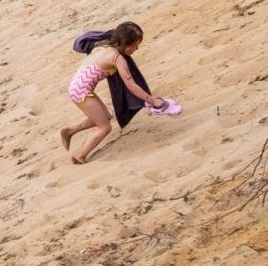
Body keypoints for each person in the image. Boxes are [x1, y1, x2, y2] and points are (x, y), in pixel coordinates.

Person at [60, 21, 181, 164]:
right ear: (126, 43)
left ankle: (69, 131)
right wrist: (152, 101)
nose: (137, 48)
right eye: (135, 44)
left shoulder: (103, 44)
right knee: (105, 128)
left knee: (105, 116)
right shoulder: (116, 58)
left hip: (78, 87)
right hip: (81, 92)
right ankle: (80, 156)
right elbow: (130, 84)